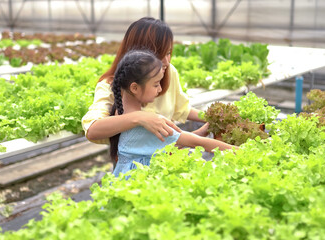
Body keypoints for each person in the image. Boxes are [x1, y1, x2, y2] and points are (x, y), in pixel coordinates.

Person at [82, 17, 207, 145]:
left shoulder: (168, 71)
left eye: (168, 52)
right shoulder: (109, 85)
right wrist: (140, 117)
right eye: (159, 53)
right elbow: (92, 129)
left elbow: (181, 108)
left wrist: (213, 118)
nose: (166, 61)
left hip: (166, 157)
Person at [109, 50, 234, 177]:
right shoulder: (149, 123)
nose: (160, 89)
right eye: (156, 84)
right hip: (140, 183)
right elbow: (200, 143)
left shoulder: (119, 112)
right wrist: (242, 151)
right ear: (134, 88)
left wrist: (201, 131)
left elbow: (166, 145)